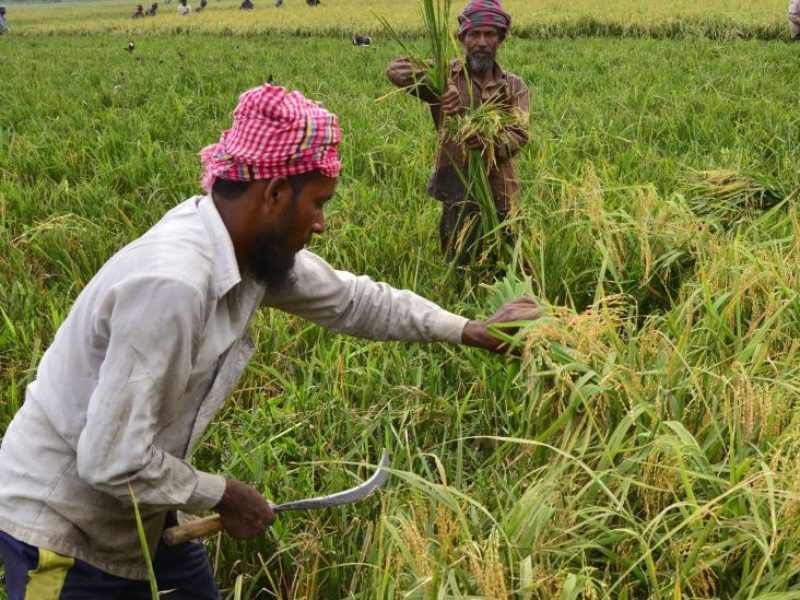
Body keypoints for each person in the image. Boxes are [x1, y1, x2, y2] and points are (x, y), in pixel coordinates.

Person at [0, 83, 538, 599]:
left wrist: (470, 330)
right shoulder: (172, 286)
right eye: (319, 203)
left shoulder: (249, 250)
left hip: (146, 506)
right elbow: (111, 458)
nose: (322, 224)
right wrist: (225, 494)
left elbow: (354, 301)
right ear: (276, 192)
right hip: (65, 529)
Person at [386, 0, 529, 266]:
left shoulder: (514, 86)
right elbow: (395, 71)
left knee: (509, 257)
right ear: (462, 38)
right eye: (474, 34)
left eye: (490, 34)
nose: (482, 42)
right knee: (458, 259)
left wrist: (489, 142)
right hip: (456, 185)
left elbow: (519, 133)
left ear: (501, 39)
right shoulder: (445, 75)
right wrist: (440, 89)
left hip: (500, 187)